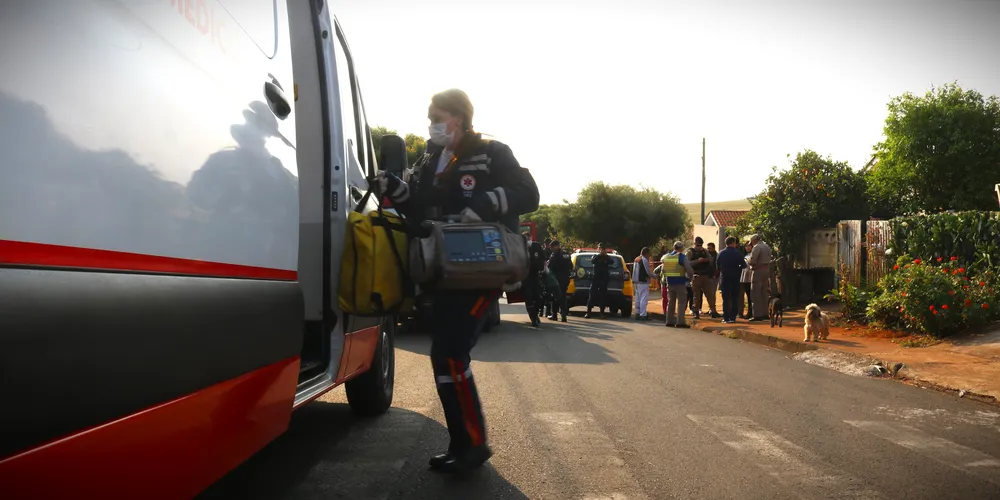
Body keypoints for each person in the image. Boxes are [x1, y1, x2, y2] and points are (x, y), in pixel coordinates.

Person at [377, 89, 539, 473]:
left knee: (448, 351)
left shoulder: (494, 152)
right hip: (442, 268)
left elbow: (529, 194)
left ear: (461, 118)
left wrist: (485, 203)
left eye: (440, 116)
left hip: (481, 268)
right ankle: (466, 443)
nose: (433, 123)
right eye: (430, 116)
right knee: (446, 354)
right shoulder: (431, 159)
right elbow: (417, 208)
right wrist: (394, 188)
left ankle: (472, 444)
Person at [659, 241, 695, 328]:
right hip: (680, 283)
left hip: (669, 283)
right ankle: (680, 322)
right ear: (681, 248)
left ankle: (669, 321)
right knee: (682, 302)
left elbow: (663, 270)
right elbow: (689, 269)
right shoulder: (682, 257)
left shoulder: (666, 257)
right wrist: (691, 277)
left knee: (670, 302)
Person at [716, 237, 747, 324]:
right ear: (733, 243)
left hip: (724, 277)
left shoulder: (721, 253)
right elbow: (744, 265)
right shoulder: (737, 253)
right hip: (735, 278)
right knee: (735, 298)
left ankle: (726, 317)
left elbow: (717, 266)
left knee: (725, 298)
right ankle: (733, 317)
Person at [686, 237, 719, 319]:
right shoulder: (690, 252)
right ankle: (696, 311)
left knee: (709, 294)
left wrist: (706, 260)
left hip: (705, 275)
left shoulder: (705, 251)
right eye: (697, 245)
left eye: (700, 245)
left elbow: (711, 260)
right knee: (696, 295)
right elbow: (687, 263)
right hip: (696, 275)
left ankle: (713, 310)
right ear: (694, 244)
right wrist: (698, 261)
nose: (699, 247)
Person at [747, 234, 772, 322]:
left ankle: (757, 315)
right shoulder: (767, 246)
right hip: (766, 270)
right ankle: (765, 313)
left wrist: (748, 260)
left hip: (757, 271)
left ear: (754, 240)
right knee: (764, 293)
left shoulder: (757, 247)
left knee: (755, 293)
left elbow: (753, 261)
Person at [546, 240, 571, 322]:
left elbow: (549, 266)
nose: (551, 249)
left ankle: (554, 315)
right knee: (563, 296)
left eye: (552, 247)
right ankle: (563, 315)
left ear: (556, 246)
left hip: (556, 279)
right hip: (566, 279)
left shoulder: (554, 255)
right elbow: (571, 266)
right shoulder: (566, 254)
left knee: (555, 297)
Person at [523, 239, 546, 327]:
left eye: (529, 238)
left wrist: (543, 268)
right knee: (529, 298)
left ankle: (535, 315)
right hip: (525, 277)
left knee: (539, 298)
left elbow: (543, 259)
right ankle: (533, 318)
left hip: (535, 275)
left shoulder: (536, 247)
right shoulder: (521, 247)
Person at [586, 243, 612, 318]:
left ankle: (601, 313)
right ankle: (588, 312)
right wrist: (600, 256)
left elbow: (611, 262)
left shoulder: (607, 257)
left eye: (603, 249)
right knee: (591, 295)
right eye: (600, 249)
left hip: (604, 279)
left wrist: (605, 256)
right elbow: (593, 261)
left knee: (603, 296)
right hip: (595, 279)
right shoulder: (596, 256)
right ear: (598, 249)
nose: (602, 250)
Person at [631, 247, 655, 321]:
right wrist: (655, 276)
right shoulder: (644, 259)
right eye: (649, 254)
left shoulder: (637, 259)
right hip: (643, 281)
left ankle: (637, 313)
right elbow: (648, 271)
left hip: (636, 281)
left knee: (638, 298)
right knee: (643, 298)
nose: (649, 256)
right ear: (646, 253)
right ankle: (643, 314)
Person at [738, 241, 753, 319]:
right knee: (747, 296)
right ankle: (748, 312)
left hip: (750, 277)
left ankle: (751, 312)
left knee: (751, 296)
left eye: (749, 246)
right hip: (744, 277)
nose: (747, 247)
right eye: (746, 246)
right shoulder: (745, 255)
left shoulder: (752, 255)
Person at [706, 241, 720, 312]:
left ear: (714, 248)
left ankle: (713, 309)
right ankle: (710, 308)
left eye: (710, 248)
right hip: (707, 277)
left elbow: (718, 267)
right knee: (709, 294)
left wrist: (715, 275)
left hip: (714, 277)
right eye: (707, 248)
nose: (708, 250)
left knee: (712, 293)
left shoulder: (717, 256)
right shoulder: (707, 255)